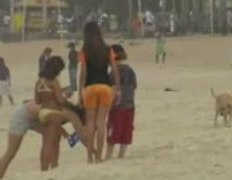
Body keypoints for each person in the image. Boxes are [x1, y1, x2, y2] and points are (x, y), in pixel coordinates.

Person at [0, 88, 86, 179]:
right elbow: (80, 134)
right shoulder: (66, 112)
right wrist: (92, 150)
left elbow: (56, 126)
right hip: (22, 116)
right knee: (11, 152)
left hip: (37, 118)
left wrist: (67, 136)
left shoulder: (65, 110)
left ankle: (52, 168)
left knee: (54, 136)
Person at [79, 21, 121, 163]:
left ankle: (89, 156)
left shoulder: (84, 50)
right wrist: (117, 87)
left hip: (90, 88)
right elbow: (114, 69)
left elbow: (83, 72)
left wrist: (80, 91)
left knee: (90, 123)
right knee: (101, 122)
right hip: (105, 87)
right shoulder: (107, 49)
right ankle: (99, 156)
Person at [106, 45, 137, 159]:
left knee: (113, 129)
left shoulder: (113, 73)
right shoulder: (130, 70)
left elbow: (112, 90)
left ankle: (109, 155)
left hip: (117, 106)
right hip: (130, 105)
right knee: (126, 129)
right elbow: (133, 87)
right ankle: (121, 154)